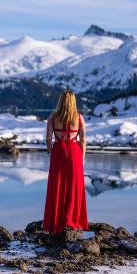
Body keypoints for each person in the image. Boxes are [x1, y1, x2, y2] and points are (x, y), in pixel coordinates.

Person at [42, 89, 89, 233]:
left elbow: (49, 138)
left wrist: (51, 152)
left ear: (60, 100)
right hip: (75, 152)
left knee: (57, 186)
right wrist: (82, 158)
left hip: (58, 152)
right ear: (73, 101)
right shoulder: (79, 117)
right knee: (73, 188)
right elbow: (83, 140)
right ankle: (71, 220)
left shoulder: (53, 117)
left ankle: (56, 221)